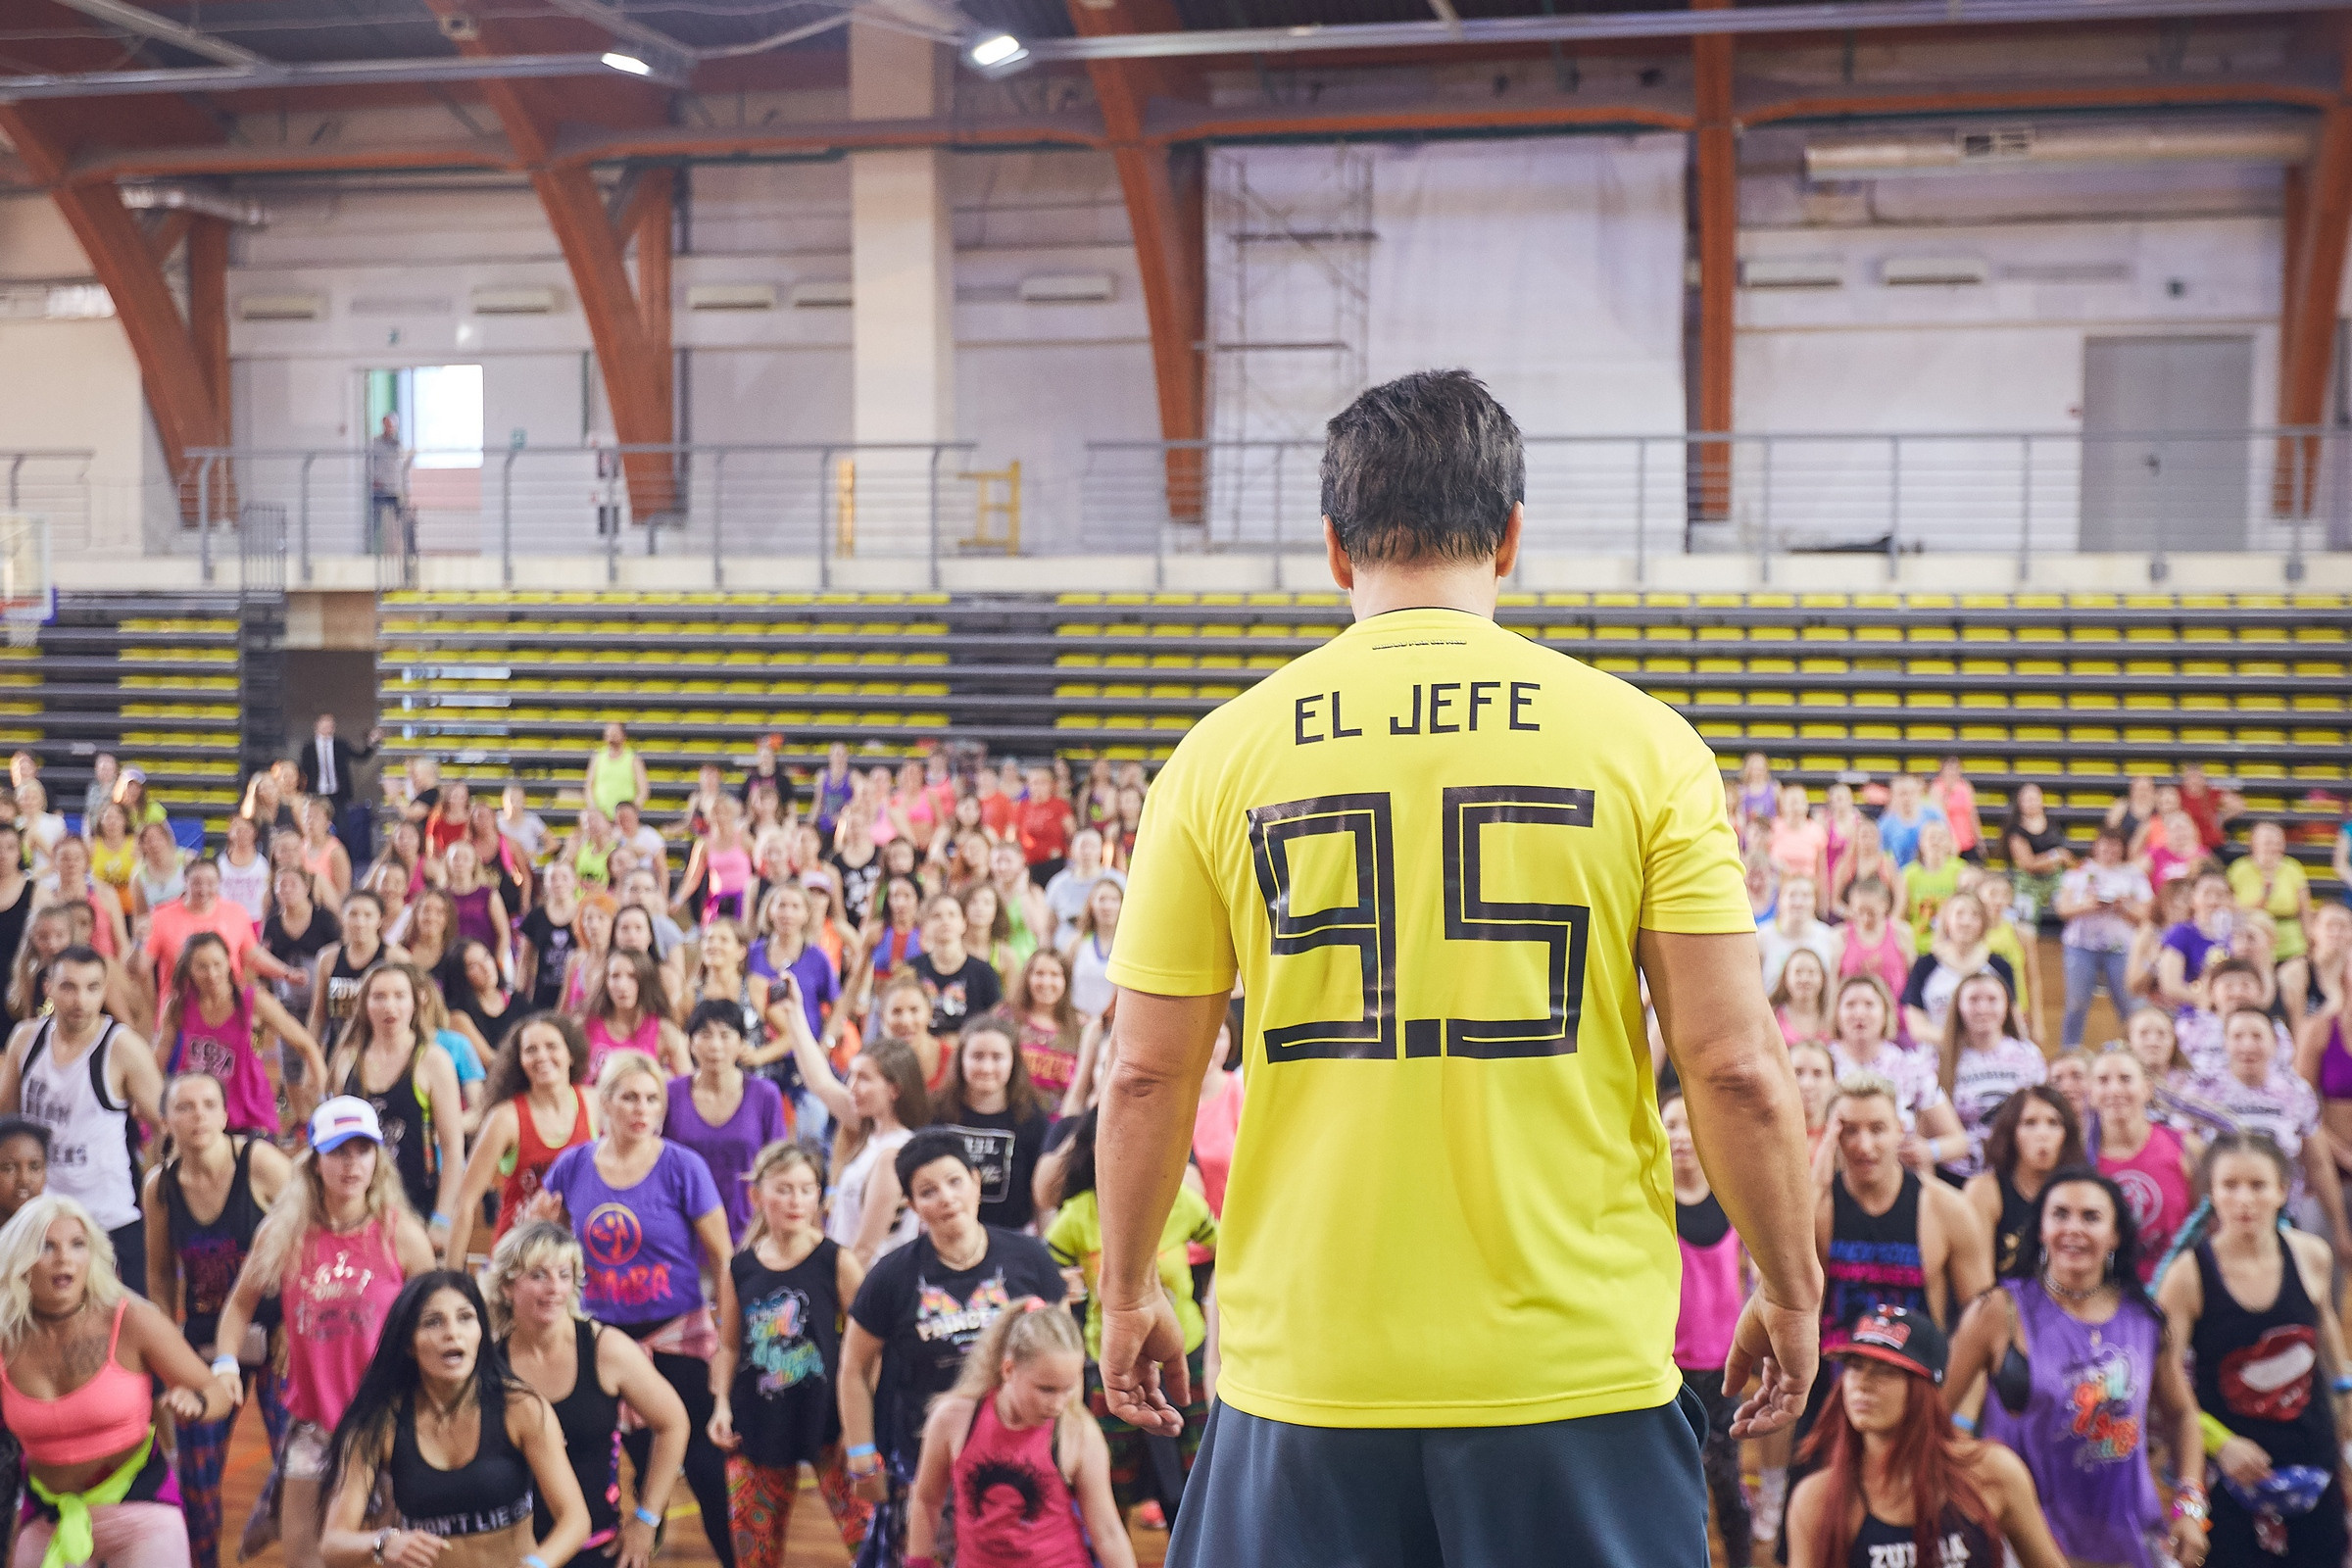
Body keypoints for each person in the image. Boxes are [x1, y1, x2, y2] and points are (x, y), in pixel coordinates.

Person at [1098, 372, 1821, 1567]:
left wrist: (1128, 1291)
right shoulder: (1643, 745)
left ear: (1333, 549)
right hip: (1571, 1368)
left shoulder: (1217, 756)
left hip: (1308, 1372)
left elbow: (1142, 1075)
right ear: (1512, 535)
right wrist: (1789, 1285)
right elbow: (1735, 1067)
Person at [210, 1097, 434, 1568]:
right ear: (315, 1162)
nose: (352, 1164)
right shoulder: (285, 1233)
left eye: (362, 1150)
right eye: (338, 1152)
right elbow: (238, 1307)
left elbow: (433, 1320)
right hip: (313, 1426)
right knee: (304, 1560)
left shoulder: (401, 1234)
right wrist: (226, 1363)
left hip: (387, 1424)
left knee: (383, 1555)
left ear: (379, 1158)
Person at [537, 1049, 739, 1568]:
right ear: (605, 1102)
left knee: (702, 1467)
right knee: (634, 1462)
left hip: (675, 1333)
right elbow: (546, 1246)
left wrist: (725, 1332)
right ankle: (641, 1547)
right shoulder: (574, 1165)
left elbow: (722, 1254)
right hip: (602, 1340)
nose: (642, 1109)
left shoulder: (681, 1165)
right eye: (629, 1097)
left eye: (653, 1098)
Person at [1944, 1168, 2207, 1568]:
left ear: (2116, 1234)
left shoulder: (2143, 1319)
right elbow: (1932, 1409)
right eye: (2060, 1214)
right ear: (2041, 1229)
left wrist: (2190, 1500)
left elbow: (2183, 1414)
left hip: (2129, 1542)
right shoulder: (1999, 1311)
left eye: (2091, 1217)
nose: (2073, 1229)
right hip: (2024, 1541)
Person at [840, 1130, 1068, 1566]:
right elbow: (853, 1367)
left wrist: (1068, 1437)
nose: (946, 1198)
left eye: (955, 1182)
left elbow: (1063, 1357)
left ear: (976, 1182)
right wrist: (861, 1455)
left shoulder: (1031, 1259)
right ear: (912, 1206)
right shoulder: (891, 1276)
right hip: (927, 1461)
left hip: (1023, 1457)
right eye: (928, 1191)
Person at [0, 1195, 239, 1568]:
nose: (64, 1257)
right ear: (21, 1262)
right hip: (50, 1513)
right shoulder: (5, 1340)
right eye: (47, 1246)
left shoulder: (130, 1320)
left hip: (140, 1508)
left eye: (77, 1245)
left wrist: (201, 1405)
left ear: (91, 1256)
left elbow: (216, 1391)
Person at [2157, 1133, 2351, 1568]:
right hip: (2232, 1472)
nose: (2244, 1199)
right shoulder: (2188, 1277)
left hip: (2310, 1458)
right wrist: (2220, 1445)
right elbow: (2164, 1387)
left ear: (2283, 1191)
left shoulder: (2311, 1256)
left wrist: (2344, 1389)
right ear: (2211, 1194)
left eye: (2258, 1186)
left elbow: (2324, 1323)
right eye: (2230, 1186)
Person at [315, 1270, 590, 1568]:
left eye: (465, 1317)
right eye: (433, 1322)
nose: (452, 1332)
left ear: (482, 1332)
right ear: (409, 1344)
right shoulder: (381, 1423)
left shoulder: (521, 1407)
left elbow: (574, 1518)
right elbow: (333, 1543)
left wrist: (537, 1564)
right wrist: (382, 1542)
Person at [142, 1072, 294, 1568]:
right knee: (198, 1489)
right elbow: (161, 1277)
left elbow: (309, 1239)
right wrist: (165, 1355)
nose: (199, 1115)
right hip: (206, 1343)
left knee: (298, 1459)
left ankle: (273, 1519)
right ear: (166, 1120)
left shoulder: (260, 1163)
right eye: (184, 1107)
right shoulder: (160, 1186)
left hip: (274, 1331)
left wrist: (295, 1325)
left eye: (209, 1104)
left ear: (227, 1114)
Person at [1784, 1305, 2068, 1568]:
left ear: (1927, 1389)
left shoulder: (1992, 1473)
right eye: (1855, 1366)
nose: (1863, 1384)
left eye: (1885, 1371)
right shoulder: (1818, 1501)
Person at [1046, 1107, 1217, 1525]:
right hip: (1111, 1363)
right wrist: (1062, 1290)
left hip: (1185, 1354)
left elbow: (1226, 1250)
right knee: (1112, 1477)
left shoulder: (1184, 1204)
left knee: (1197, 1474)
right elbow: (1044, 1271)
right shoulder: (1077, 1215)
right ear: (1095, 1150)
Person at [484, 1221, 688, 1568]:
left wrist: (647, 1519)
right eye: (539, 1276)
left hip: (596, 1547)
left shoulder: (605, 1349)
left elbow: (673, 1422)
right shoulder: (487, 1360)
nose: (554, 1288)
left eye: (564, 1274)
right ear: (506, 1285)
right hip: (512, 1552)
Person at [708, 1144, 873, 1566]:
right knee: (754, 1550)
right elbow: (728, 1345)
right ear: (758, 1195)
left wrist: (864, 1421)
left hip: (829, 1418)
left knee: (868, 1537)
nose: (796, 1200)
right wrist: (721, 1405)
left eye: (806, 1189)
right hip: (758, 1419)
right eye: (784, 1189)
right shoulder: (739, 1267)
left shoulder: (836, 1260)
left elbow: (870, 1344)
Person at [901, 1296, 1136, 1568]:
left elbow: (1107, 1532)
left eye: (1068, 1388)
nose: (1059, 1404)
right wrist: (918, 1562)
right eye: (1046, 1389)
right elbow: (927, 1500)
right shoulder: (954, 1419)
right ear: (1008, 1369)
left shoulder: (1078, 1432)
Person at [0, 948, 163, 1295]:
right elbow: (8, 1125)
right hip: (40, 1216)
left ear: (104, 991)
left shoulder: (122, 1048)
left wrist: (157, 1185)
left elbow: (166, 1123)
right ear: (49, 988)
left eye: (92, 988)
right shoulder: (26, 1040)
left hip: (109, 1216)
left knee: (124, 1328)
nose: (81, 1000)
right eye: (70, 987)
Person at [1817, 1074, 1993, 1349]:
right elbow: (1777, 1296)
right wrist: (1817, 1180)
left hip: (1917, 1380)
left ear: (1900, 1129)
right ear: (1834, 1135)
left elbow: (1980, 1326)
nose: (1864, 1146)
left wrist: (1950, 1393)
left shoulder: (1946, 1209)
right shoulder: (1817, 1209)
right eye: (1850, 1131)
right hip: (1834, 1381)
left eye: (1877, 1129)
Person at [1662, 1092, 1750, 1567]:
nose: (1678, 1136)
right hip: (1669, 1370)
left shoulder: (1729, 1193)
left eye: (1686, 1124)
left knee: (1727, 1485)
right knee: (1677, 1484)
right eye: (1668, 1125)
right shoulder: (1650, 1199)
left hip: (1724, 1369)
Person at [2189, 1007, 2352, 1259]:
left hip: (2283, 1219)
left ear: (2274, 1043)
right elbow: (2189, 1162)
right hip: (2217, 1222)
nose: (2247, 1045)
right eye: (2238, 1036)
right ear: (2225, 1042)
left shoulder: (2295, 1093)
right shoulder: (2201, 1092)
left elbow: (2319, 1165)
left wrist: (2340, 1227)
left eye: (2257, 1036)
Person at [324, 962, 466, 1250]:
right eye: (379, 997)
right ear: (365, 1004)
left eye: (399, 996)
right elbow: (331, 1144)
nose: (390, 1006)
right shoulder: (347, 1060)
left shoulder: (433, 1061)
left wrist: (442, 1219)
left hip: (417, 1203)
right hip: (360, 1205)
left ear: (415, 1003)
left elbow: (452, 1150)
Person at [443, 1011, 596, 1266]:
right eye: (531, 1050)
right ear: (520, 1061)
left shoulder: (593, 1102)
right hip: (518, 1257)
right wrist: (452, 1280)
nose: (542, 1056)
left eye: (551, 1046)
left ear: (571, 1054)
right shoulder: (505, 1118)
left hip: (577, 1257)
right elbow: (466, 1203)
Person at [157, 931, 323, 1138]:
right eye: (202, 967)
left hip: (247, 1113)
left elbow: (305, 1043)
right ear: (188, 969)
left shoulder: (254, 1002)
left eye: (217, 964)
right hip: (199, 1113)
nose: (211, 973)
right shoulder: (178, 1005)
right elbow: (162, 1051)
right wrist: (155, 1099)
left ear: (229, 962)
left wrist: (325, 1096)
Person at [665, 999, 787, 1245]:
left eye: (725, 1035)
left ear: (741, 1042)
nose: (715, 1045)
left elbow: (778, 1163)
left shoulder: (765, 1095)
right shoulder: (670, 1093)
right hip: (683, 1230)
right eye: (705, 1035)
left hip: (747, 1231)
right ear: (690, 1042)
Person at [1827, 975, 1965, 1166]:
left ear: (1886, 1013)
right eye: (1850, 1005)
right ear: (1836, 1014)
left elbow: (1959, 1142)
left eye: (1869, 1004)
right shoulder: (1820, 1065)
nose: (1859, 1013)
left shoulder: (1911, 1066)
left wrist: (1929, 1150)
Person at [930, 1013, 1050, 1233]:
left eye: (997, 1057)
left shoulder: (1033, 1120)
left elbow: (1042, 1198)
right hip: (944, 1232)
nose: (986, 1067)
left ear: (1013, 1062)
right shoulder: (935, 1112)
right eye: (977, 1056)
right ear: (961, 1060)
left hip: (1011, 1237)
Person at [2091, 1046, 2200, 1279]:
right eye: (2103, 1080)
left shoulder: (2187, 1147)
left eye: (2125, 1079)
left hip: (2175, 1285)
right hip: (2108, 1289)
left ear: (2147, 1089)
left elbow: (2205, 1224)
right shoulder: (2078, 1158)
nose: (2114, 1089)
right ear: (2091, 1093)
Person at [1961, 1086, 2082, 1279]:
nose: (2043, 1134)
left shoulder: (2082, 1190)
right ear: (2011, 1133)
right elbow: (1977, 1282)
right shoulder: (1984, 1190)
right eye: (2030, 1123)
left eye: (2053, 1123)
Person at [1936, 969, 2046, 1178]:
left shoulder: (2028, 1055)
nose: (1983, 1008)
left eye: (1992, 999)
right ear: (1959, 1007)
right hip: (1956, 1171)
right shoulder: (1937, 1059)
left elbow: (2039, 1112)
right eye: (1974, 1000)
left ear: (2007, 1007)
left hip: (2014, 1168)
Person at [2056, 826, 2152, 1050]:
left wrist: (2123, 907)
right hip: (2081, 946)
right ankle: (2069, 1051)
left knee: (2129, 1002)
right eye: (2105, 844)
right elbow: (2063, 908)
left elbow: (2146, 914)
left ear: (2122, 849)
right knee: (2076, 1003)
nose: (2109, 850)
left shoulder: (2133, 875)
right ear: (2096, 846)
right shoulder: (2079, 872)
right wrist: (2086, 906)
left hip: (2121, 948)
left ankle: (2138, 1050)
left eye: (2115, 845)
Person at [143, 858, 293, 990]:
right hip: (179, 1003)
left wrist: (287, 973)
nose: (203, 889)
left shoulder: (236, 912)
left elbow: (252, 955)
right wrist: (139, 941)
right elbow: (141, 967)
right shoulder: (161, 916)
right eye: (196, 883)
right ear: (185, 881)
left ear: (219, 883)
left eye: (210, 883)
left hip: (227, 1002)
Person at [1901, 894, 2014, 1047]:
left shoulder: (2000, 967)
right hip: (1937, 1055)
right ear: (1947, 920)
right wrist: (1959, 1041)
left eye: (1974, 915)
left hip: (1987, 1055)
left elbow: (2013, 1021)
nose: (1966, 922)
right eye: (1959, 914)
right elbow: (1917, 1027)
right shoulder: (1925, 965)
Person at [583, 949, 687, 1078]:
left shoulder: (664, 1031)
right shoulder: (585, 1026)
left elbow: (687, 1085)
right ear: (606, 982)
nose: (622, 985)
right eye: (615, 976)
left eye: (632, 976)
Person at [2231, 820, 2313, 984]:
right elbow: (2231, 908)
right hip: (2251, 941)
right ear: (2253, 843)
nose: (2273, 847)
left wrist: (2310, 940)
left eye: (2277, 842)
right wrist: (2262, 899)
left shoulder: (2292, 868)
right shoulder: (2239, 869)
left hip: (2290, 941)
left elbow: (2304, 909)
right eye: (2268, 842)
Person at [1006, 949, 1082, 1102]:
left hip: (1061, 1121)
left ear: (1066, 980)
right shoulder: (1007, 1018)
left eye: (1055, 975)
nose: (1046, 982)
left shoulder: (1081, 1027)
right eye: (1039, 974)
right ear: (1027, 978)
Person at [2157, 871, 2239, 1008]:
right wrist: (2211, 1001)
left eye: (2221, 894)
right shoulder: (2181, 933)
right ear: (2193, 898)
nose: (2214, 901)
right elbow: (2170, 985)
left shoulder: (2240, 934)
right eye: (2207, 894)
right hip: (2196, 1010)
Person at [1836, 878, 1913, 1013]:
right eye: (1860, 912)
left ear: (1885, 905)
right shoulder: (1840, 936)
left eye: (1871, 913)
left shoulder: (1901, 933)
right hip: (1854, 1015)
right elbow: (1833, 984)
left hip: (1896, 1013)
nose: (1865, 918)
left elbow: (1913, 980)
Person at [1041, 830, 1124, 954]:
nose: (1087, 852)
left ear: (1101, 849)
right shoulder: (1058, 884)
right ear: (1072, 850)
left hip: (1109, 950)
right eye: (1083, 846)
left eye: (1093, 847)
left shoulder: (1117, 880)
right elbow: (1048, 928)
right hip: (1065, 951)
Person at [2001, 783, 2074, 925]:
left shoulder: (2052, 821)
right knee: (2023, 922)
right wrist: (2055, 857)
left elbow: (2066, 856)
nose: (2031, 803)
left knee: (2071, 904)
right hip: (2029, 882)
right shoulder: (2016, 831)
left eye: (2034, 798)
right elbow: (2028, 864)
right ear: (2020, 803)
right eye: (2027, 799)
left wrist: (2062, 859)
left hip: (2055, 878)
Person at [1759, 876, 1838, 994]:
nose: (1798, 902)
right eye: (1792, 895)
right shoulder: (1762, 938)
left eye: (1806, 896)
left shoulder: (1830, 938)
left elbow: (1831, 988)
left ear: (1815, 901)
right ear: (1779, 900)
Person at [1901, 822, 1963, 947]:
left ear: (1948, 843)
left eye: (1941, 838)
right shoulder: (1908, 874)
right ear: (1921, 843)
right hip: (1918, 944)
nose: (1935, 842)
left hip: (1951, 945)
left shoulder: (1960, 870)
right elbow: (1901, 913)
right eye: (1931, 837)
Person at [1877, 774, 1946, 870]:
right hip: (1901, 877)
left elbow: (1952, 846)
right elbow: (1881, 856)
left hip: (1931, 874)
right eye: (1902, 793)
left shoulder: (1933, 816)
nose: (1907, 798)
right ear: (1893, 796)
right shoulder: (1885, 825)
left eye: (1911, 793)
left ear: (1918, 793)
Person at [585, 722, 650, 822]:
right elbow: (589, 787)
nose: (611, 737)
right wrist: (593, 808)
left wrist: (631, 811)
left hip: (625, 819)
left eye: (615, 734)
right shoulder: (597, 758)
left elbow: (643, 790)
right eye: (609, 734)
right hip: (602, 817)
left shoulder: (633, 760)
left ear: (624, 736)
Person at [1772, 948, 1835, 1048]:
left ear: (1823, 978)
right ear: (1785, 978)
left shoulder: (1834, 1017)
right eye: (1798, 972)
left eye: (1811, 972)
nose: (1805, 979)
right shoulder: (1772, 1016)